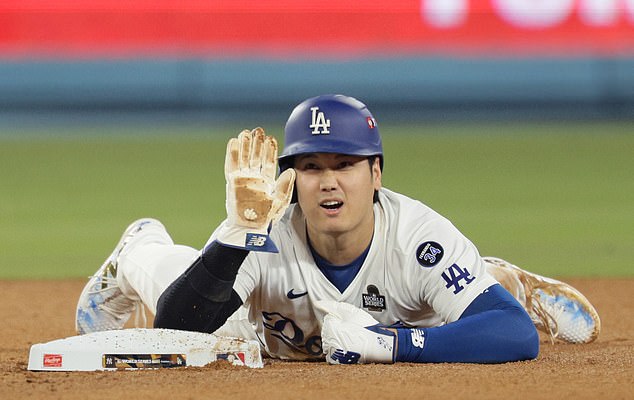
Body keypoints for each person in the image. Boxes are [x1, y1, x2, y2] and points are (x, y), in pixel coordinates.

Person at [75, 94, 600, 364]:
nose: (329, 183)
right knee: (203, 314)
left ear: (375, 173)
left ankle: (499, 279)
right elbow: (178, 325)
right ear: (291, 178)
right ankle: (139, 246)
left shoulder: (415, 235)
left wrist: (392, 346)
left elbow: (513, 333)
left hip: (403, 303)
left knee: (460, 295)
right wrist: (235, 235)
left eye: (345, 165)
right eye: (311, 167)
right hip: (263, 329)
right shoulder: (264, 225)